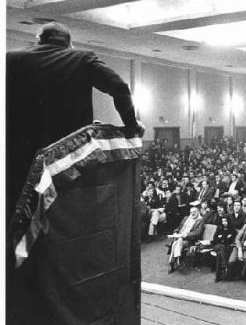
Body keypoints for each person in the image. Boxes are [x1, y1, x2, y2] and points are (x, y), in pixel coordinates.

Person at [6, 22, 145, 221]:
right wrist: (132, 126)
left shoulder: (10, 59)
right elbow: (120, 87)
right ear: (69, 44)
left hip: (18, 157)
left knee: (17, 215)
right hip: (66, 159)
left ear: (38, 41)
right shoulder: (82, 58)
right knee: (63, 219)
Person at [167, 207, 205, 273]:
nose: (192, 213)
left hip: (190, 239)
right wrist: (176, 231)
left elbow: (198, 232)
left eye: (194, 212)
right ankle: (177, 258)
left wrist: (187, 235)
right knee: (178, 241)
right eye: (191, 212)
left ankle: (172, 263)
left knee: (176, 243)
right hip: (180, 236)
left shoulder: (200, 220)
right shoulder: (186, 218)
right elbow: (179, 227)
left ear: (198, 212)